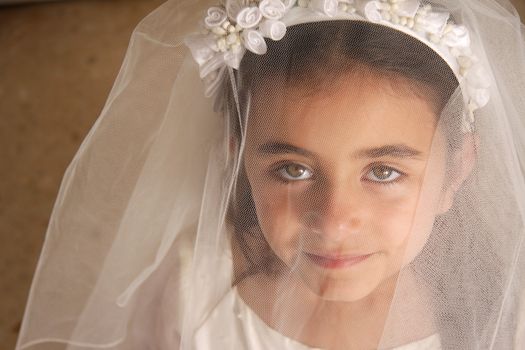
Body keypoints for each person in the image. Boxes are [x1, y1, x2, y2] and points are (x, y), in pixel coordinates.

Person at [15, 0, 525, 349]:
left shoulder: (504, 320)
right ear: (239, 158)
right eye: (293, 168)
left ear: (456, 171)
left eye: (384, 171)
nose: (333, 220)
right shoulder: (193, 292)